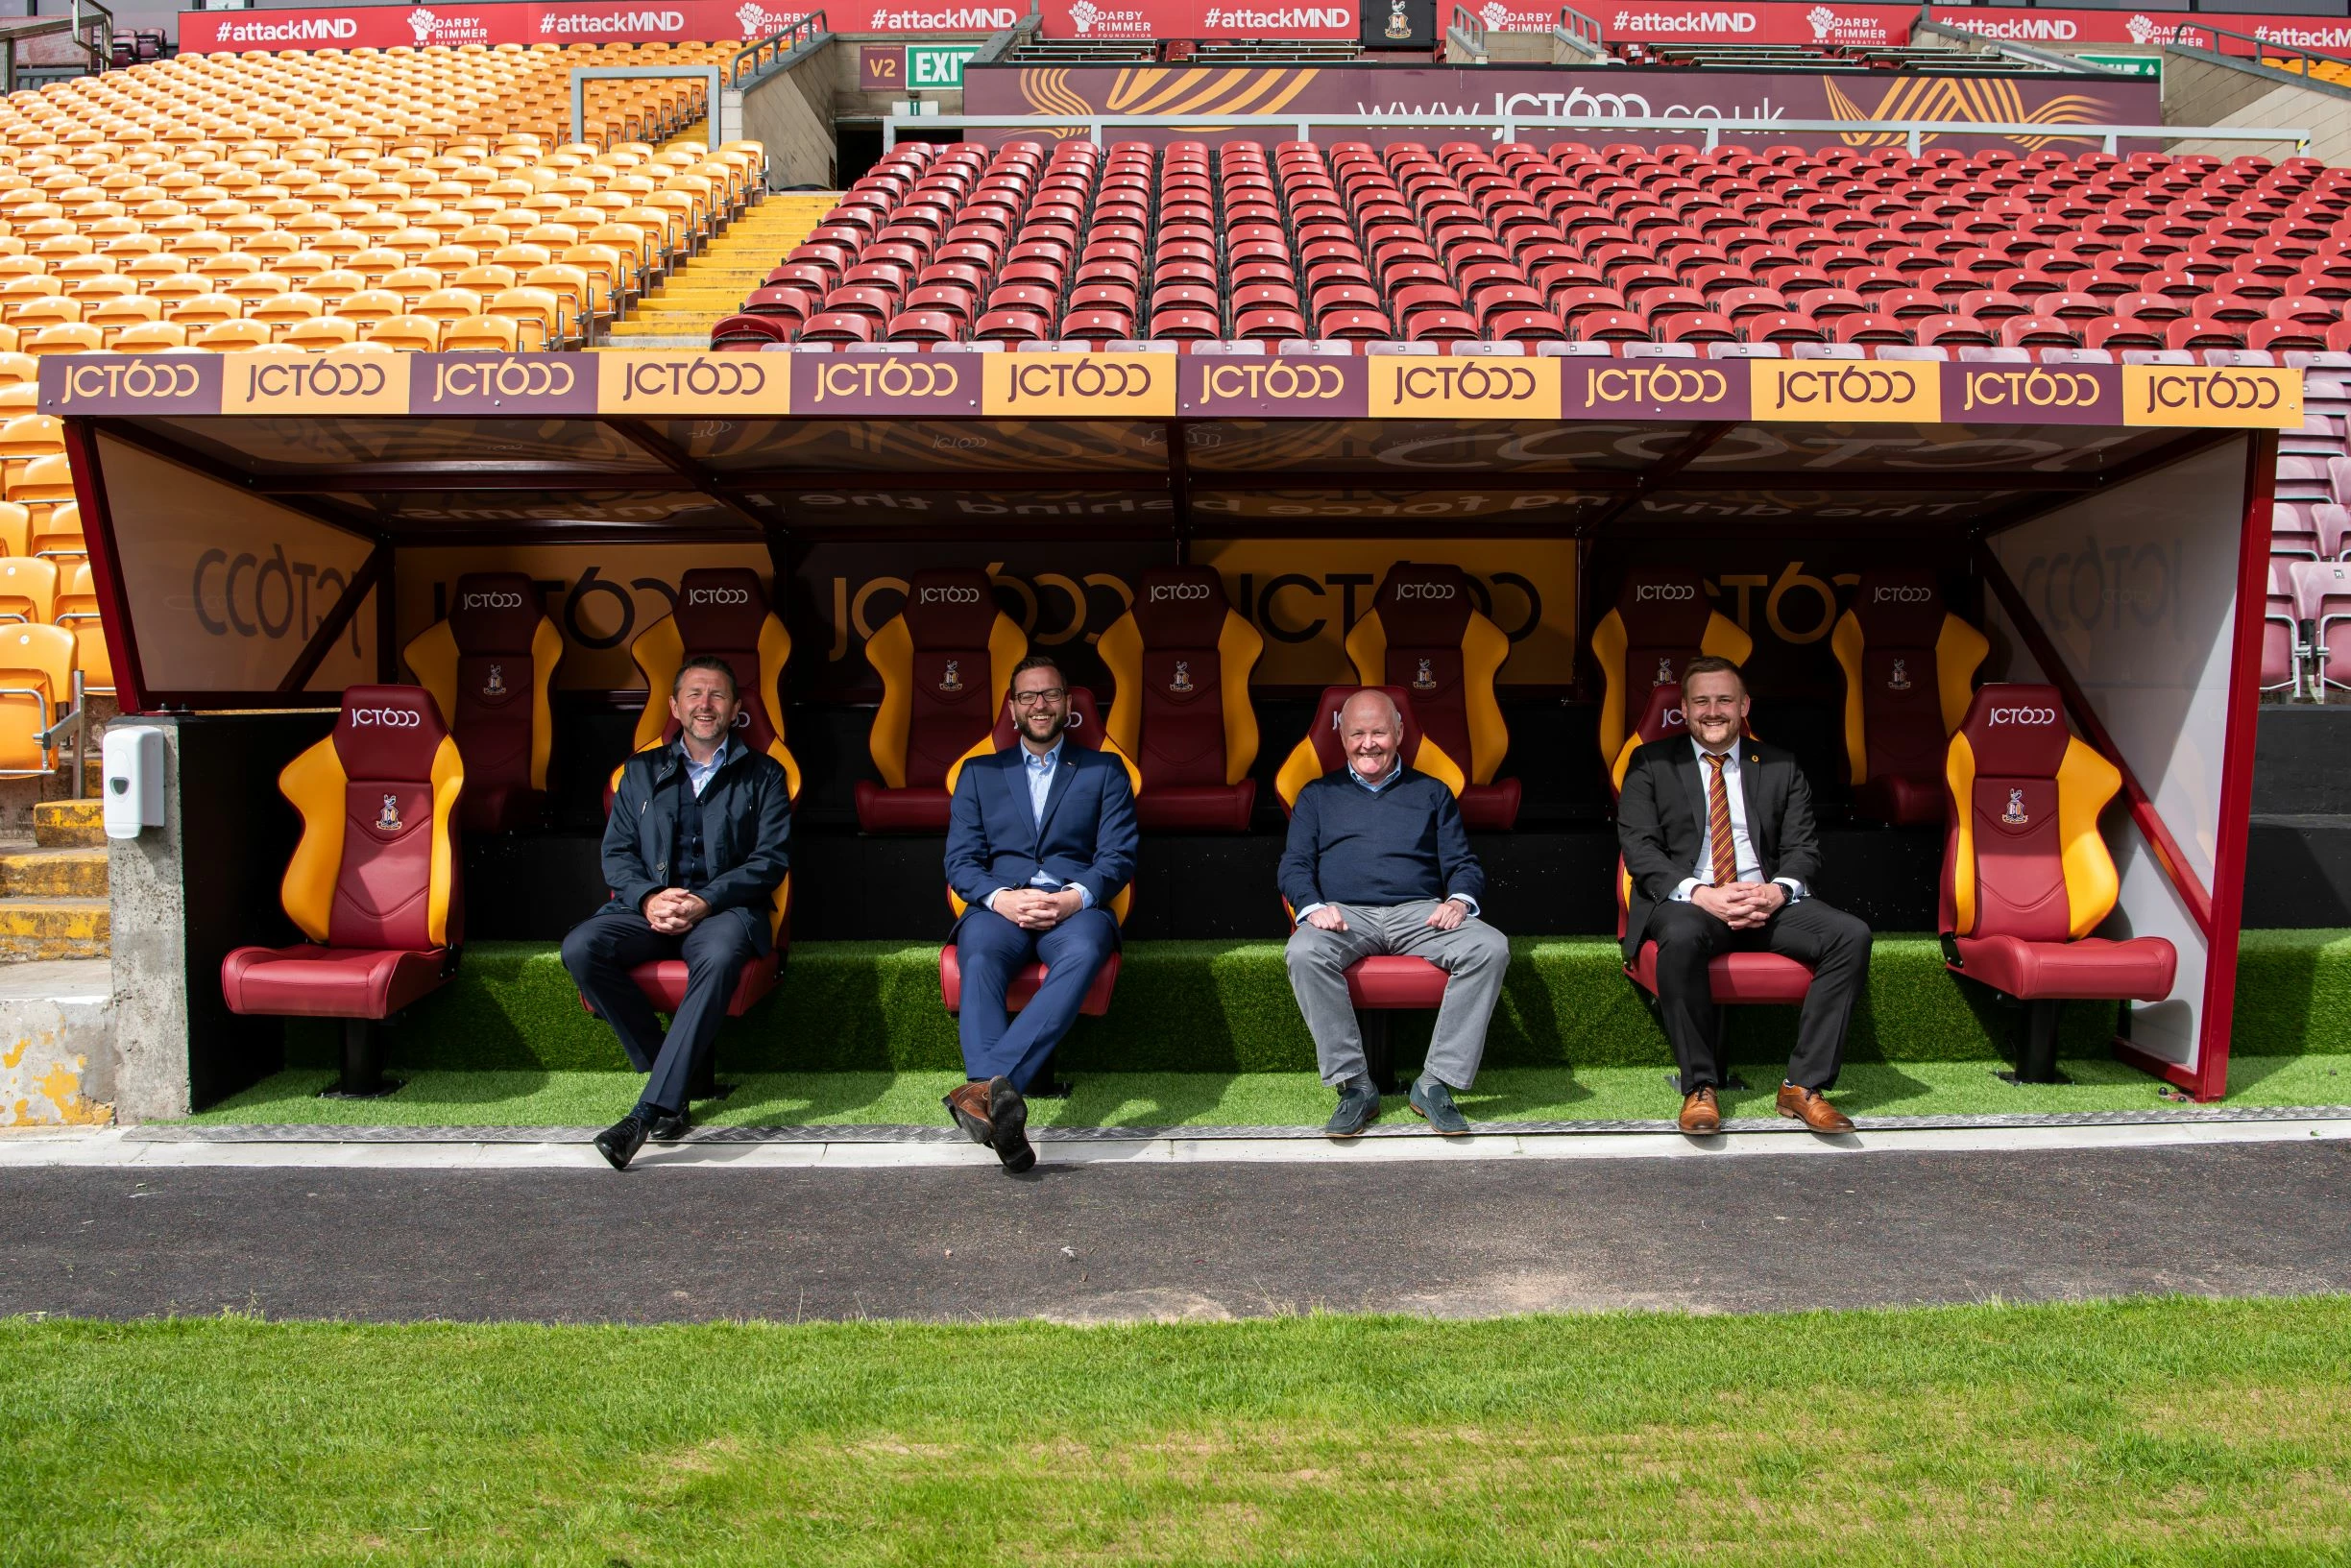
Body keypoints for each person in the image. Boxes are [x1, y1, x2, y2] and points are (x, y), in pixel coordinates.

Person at [1615, 655, 1872, 1136]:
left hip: (1765, 899)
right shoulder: (1650, 763)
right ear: (1685, 710)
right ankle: (1699, 1087)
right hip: (1692, 903)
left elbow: (1803, 849)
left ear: (1744, 705)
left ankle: (1803, 1087)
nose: (1714, 711)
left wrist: (1777, 891)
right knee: (1683, 934)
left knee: (1850, 935)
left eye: (1725, 700)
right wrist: (1700, 893)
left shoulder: (1779, 764)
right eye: (1702, 701)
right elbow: (1640, 849)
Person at [563, 655, 791, 1170]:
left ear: (735, 709)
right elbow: (617, 854)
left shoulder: (765, 774)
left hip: (724, 910)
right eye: (694, 694)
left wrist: (705, 900)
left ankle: (649, 1111)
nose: (704, 705)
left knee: (718, 956)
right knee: (581, 947)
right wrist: (648, 898)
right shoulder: (639, 772)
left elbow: (770, 861)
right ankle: (675, 1073)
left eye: (716, 696)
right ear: (674, 706)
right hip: (648, 906)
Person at [1280, 688, 1510, 1139]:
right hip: (1345, 916)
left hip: (1419, 915)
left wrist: (1459, 901)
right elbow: (1295, 865)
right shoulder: (1317, 795)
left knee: (1489, 946)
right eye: (1358, 733)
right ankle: (1355, 1087)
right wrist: (1313, 909)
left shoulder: (1432, 792)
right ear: (1341, 737)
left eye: (1379, 732)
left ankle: (1435, 1083)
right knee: (1304, 951)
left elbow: (1462, 864)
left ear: (1400, 733)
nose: (1369, 743)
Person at [942, 654, 1137, 1174]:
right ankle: (998, 1108)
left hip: (1073, 907)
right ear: (1012, 709)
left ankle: (984, 1089)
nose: (1039, 704)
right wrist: (1000, 897)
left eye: (1050, 694)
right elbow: (960, 861)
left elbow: (1118, 856)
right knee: (978, 955)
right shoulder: (979, 773)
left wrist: (1075, 897)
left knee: (1087, 949)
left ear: (1068, 704)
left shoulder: (1103, 769)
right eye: (1027, 696)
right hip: (999, 907)